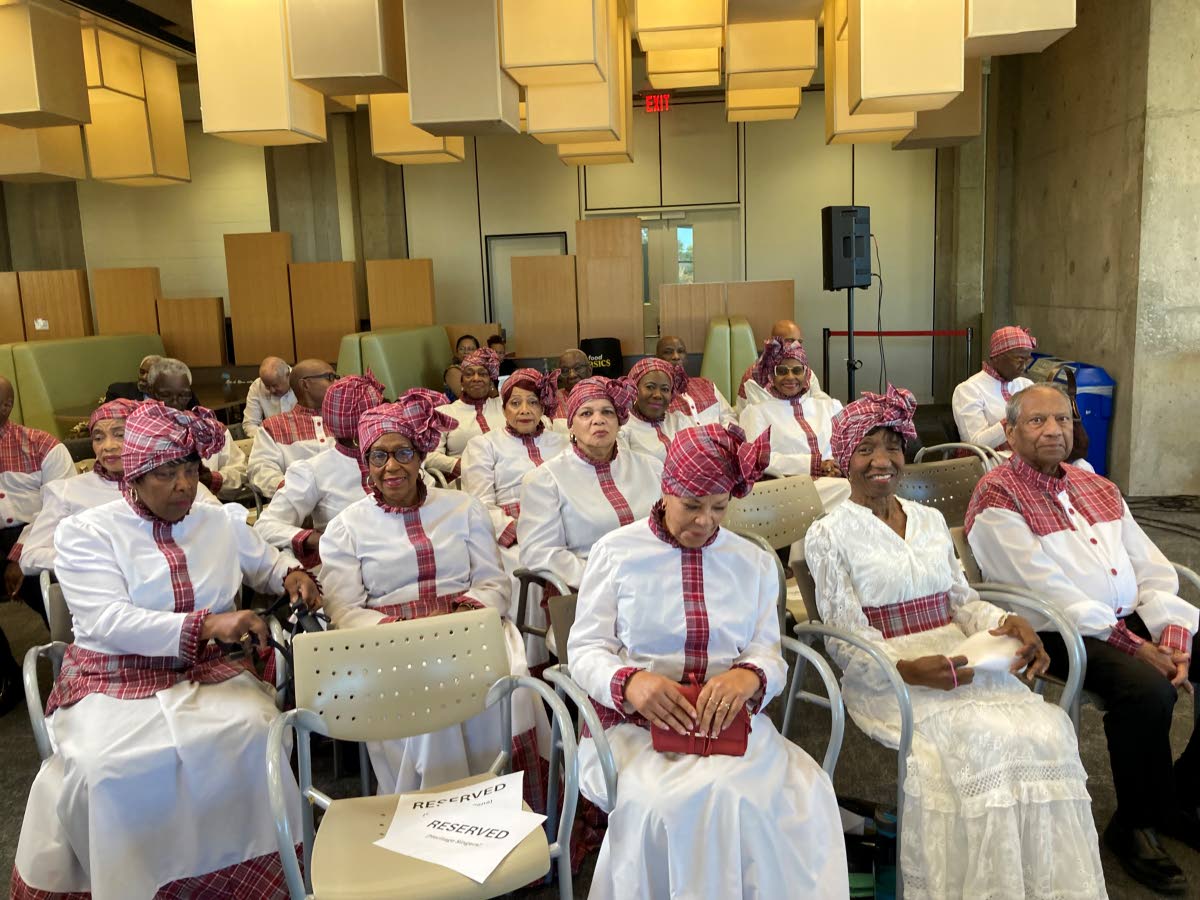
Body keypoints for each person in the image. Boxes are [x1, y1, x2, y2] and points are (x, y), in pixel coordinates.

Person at [805, 385, 1107, 899]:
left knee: (1044, 729)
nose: (882, 461)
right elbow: (845, 637)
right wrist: (905, 670)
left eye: (893, 446)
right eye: (865, 449)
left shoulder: (925, 521)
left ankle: (1033, 882)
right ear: (843, 460)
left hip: (958, 654)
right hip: (887, 669)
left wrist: (1008, 620)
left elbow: (962, 601)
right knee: (974, 742)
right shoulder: (828, 534)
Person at [10, 401, 321, 899]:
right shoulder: (88, 531)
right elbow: (105, 620)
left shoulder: (217, 520)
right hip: (111, 677)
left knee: (254, 734)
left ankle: (255, 883)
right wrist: (209, 623)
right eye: (165, 473)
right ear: (134, 476)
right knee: (103, 765)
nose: (182, 485)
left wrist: (292, 573)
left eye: (190, 470)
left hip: (207, 671)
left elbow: (265, 564)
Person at [569, 424, 849, 899]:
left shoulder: (753, 561)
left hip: (728, 724)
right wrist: (630, 681)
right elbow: (585, 649)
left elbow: (769, 653)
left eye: (719, 507)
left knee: (796, 794)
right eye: (692, 506)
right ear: (666, 490)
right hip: (635, 727)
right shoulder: (615, 553)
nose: (705, 521)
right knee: (668, 806)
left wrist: (748, 675)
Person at [966, 382, 1200, 895]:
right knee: (1148, 690)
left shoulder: (1096, 485)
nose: (1053, 430)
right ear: (1008, 431)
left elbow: (1151, 565)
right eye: (1036, 421)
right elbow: (1044, 590)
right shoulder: (997, 496)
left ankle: (1180, 796)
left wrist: (1173, 633)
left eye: (1063, 420)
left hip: (1127, 617)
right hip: (1060, 631)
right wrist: (1141, 647)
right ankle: (1133, 825)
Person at [317, 390, 548, 804]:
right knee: (429, 704)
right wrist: (400, 631)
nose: (391, 466)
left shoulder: (464, 509)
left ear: (421, 455)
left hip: (468, 624)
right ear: (365, 466)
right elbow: (344, 610)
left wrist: (464, 616)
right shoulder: (345, 528)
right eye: (378, 456)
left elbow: (494, 583)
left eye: (403, 452)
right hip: (388, 643)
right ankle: (435, 821)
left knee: (510, 685)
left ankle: (508, 807)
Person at [20, 400, 220, 577]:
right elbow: (30, 556)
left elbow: (220, 523)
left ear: (142, 440)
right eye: (98, 438)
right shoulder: (67, 491)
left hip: (180, 578)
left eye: (119, 435)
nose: (108, 446)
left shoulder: (173, 480)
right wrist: (97, 559)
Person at [461, 369, 568, 666]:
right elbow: (479, 503)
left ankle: (579, 657)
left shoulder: (560, 442)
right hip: (512, 533)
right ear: (504, 407)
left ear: (543, 408)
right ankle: (536, 663)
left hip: (561, 526)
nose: (524, 410)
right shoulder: (484, 445)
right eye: (516, 403)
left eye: (533, 402)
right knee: (527, 567)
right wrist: (520, 530)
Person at [518, 376, 663, 590]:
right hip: (591, 590)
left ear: (619, 421)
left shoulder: (651, 467)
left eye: (607, 412)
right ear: (571, 426)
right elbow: (539, 551)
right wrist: (604, 579)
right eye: (586, 413)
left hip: (659, 578)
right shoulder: (545, 480)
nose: (598, 420)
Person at [0, 375, 76, 714]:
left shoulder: (43, 445)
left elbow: (60, 509)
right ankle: (8, 676)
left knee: (56, 598)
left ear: (6, 405)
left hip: (37, 534)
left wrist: (18, 557)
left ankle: (76, 667)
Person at [254, 373, 386, 569]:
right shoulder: (314, 470)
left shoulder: (399, 458)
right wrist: (314, 539)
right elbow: (264, 527)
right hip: (349, 569)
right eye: (330, 377)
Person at [738, 338, 849, 510]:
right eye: (782, 371)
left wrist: (837, 466)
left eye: (797, 370)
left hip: (837, 481)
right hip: (787, 491)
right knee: (848, 491)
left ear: (806, 374)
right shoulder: (756, 412)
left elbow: (849, 447)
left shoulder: (829, 407)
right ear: (771, 376)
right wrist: (814, 464)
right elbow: (757, 460)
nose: (790, 377)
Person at [147, 358, 247, 498]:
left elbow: (241, 472)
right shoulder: (135, 433)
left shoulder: (211, 429)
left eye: (183, 395)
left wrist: (213, 479)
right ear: (151, 392)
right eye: (165, 395)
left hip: (207, 508)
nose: (175, 403)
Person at [246, 359, 336, 498]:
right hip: (300, 506)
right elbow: (260, 470)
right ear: (305, 385)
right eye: (329, 378)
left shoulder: (344, 420)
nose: (336, 384)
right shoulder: (273, 428)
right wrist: (292, 492)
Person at [952, 326, 1036, 453]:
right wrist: (1015, 418)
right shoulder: (968, 390)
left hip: (1030, 457)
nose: (1023, 367)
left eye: (1027, 360)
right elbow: (976, 445)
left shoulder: (1026, 385)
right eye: (1019, 359)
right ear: (996, 356)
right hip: (990, 461)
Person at [425, 348, 506, 479]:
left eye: (482, 374)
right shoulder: (444, 413)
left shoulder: (504, 406)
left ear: (491, 381)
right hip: (465, 481)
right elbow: (430, 456)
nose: (476, 378)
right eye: (469, 374)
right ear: (462, 382)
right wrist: (460, 465)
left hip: (507, 476)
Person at [734, 319, 821, 412]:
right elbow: (745, 415)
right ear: (774, 344)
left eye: (799, 342)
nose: (796, 347)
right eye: (790, 341)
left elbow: (819, 406)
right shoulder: (754, 378)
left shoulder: (806, 373)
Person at [621, 357, 693, 461]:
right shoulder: (624, 428)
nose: (658, 395)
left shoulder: (680, 421)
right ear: (634, 389)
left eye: (665, 389)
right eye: (650, 387)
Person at [656, 335, 736, 427]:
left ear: (686, 358)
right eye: (668, 352)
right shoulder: (655, 395)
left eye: (680, 351)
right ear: (657, 358)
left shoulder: (707, 385)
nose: (676, 356)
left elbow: (728, 416)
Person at [105, 354, 197, 407]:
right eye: (142, 372)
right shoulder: (118, 392)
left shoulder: (181, 393)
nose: (144, 377)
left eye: (149, 373)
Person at [241, 357, 296, 438]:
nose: (272, 390)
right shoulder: (257, 386)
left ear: (288, 376)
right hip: (271, 442)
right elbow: (250, 424)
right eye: (267, 386)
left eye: (275, 385)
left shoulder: (301, 382)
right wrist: (267, 439)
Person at [551, 348, 593, 432]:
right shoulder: (551, 401)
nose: (572, 375)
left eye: (577, 368)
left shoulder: (605, 397)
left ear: (589, 369)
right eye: (565, 370)